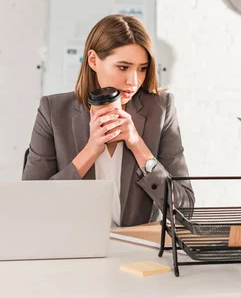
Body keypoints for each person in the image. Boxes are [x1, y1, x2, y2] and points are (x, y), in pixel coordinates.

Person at [23, 14, 194, 227]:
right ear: (93, 60)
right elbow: (30, 204)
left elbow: (184, 209)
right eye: (123, 67)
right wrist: (91, 151)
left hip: (136, 250)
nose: (133, 81)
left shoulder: (161, 110)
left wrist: (138, 146)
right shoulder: (53, 111)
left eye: (142, 68)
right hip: (72, 246)